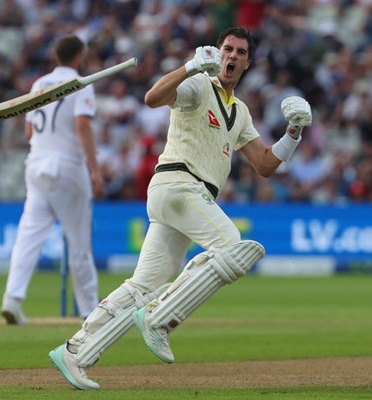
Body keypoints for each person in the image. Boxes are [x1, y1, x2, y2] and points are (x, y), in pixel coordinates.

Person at [47, 27, 312, 390]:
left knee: (143, 285)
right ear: (217, 53)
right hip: (179, 184)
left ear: (248, 62)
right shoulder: (199, 84)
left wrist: (293, 133)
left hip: (183, 197)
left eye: (239, 52)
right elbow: (153, 97)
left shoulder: (242, 112)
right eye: (227, 49)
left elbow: (264, 166)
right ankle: (160, 318)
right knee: (232, 247)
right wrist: (189, 67)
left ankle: (75, 351)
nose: (231, 57)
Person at [0, 35, 105, 325]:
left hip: (35, 164)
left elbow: (29, 133)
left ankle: (12, 298)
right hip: (68, 167)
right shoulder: (82, 83)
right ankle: (90, 310)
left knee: (29, 235)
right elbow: (82, 124)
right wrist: (95, 170)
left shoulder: (38, 84)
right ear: (79, 56)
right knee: (79, 242)